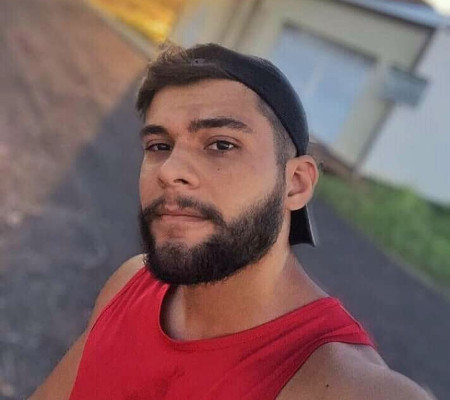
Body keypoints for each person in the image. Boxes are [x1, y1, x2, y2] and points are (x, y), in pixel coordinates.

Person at [30, 43, 433, 400]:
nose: (170, 170)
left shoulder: (346, 386)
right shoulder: (129, 282)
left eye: (221, 144)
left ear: (295, 183)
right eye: (159, 145)